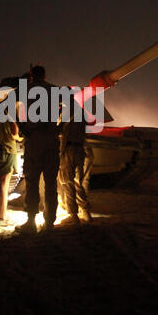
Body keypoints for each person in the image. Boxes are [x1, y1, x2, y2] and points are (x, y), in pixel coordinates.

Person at [16, 65, 60, 234]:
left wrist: (22, 126)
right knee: (51, 183)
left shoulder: (25, 90)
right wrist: (59, 128)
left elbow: (10, 108)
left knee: (32, 182)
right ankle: (49, 223)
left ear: (32, 76)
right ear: (45, 75)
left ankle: (31, 222)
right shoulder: (54, 90)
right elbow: (73, 107)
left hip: (34, 139)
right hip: (51, 139)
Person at [58, 96, 93, 225]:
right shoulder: (81, 111)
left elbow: (60, 129)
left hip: (69, 149)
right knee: (78, 182)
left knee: (66, 181)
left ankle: (73, 215)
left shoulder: (67, 111)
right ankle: (85, 212)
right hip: (80, 149)